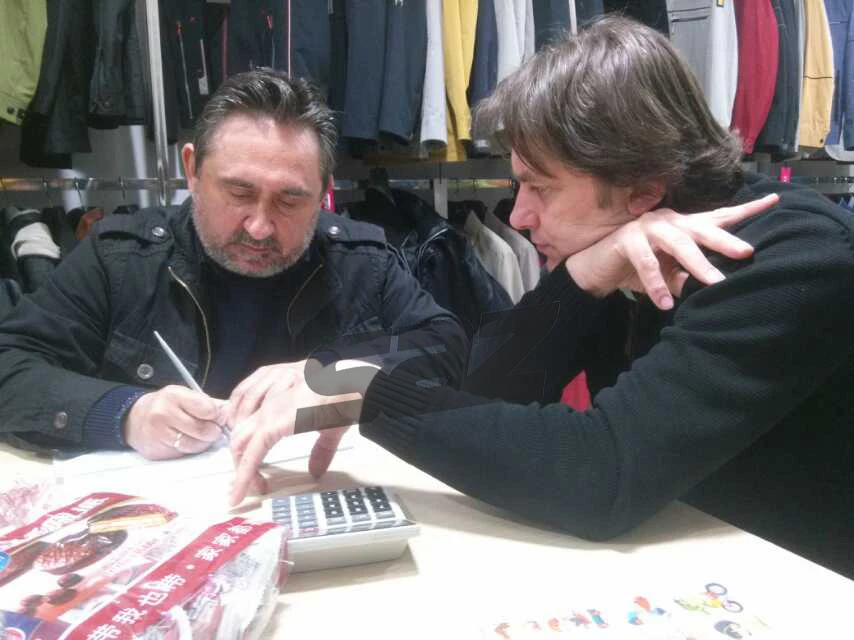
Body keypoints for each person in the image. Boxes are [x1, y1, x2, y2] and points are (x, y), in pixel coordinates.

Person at [226, 17, 854, 580]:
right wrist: (584, 276)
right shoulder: (623, 237)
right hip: (688, 564)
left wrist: (365, 393)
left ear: (642, 188)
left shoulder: (791, 254)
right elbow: (489, 388)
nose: (518, 216)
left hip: (802, 591)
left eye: (540, 189)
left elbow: (603, 473)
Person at [0, 68, 467, 458]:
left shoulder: (360, 261)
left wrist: (337, 370)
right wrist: (124, 413)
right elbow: (10, 366)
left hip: (317, 496)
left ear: (324, 190)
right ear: (192, 169)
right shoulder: (118, 259)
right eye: (239, 193)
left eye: (290, 201)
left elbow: (446, 345)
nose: (260, 227)